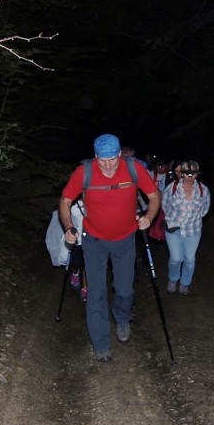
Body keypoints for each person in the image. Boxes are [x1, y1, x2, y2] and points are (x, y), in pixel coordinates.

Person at [58, 134, 160, 362]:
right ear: (96, 157)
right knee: (96, 293)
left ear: (119, 155)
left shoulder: (133, 169)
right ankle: (101, 344)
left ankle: (122, 317)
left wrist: (149, 217)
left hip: (125, 240)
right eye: (102, 160)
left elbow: (153, 195)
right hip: (94, 240)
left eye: (112, 159)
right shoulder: (84, 172)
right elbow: (65, 200)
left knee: (124, 290)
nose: (107, 165)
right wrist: (68, 226)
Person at [161, 160, 211, 296]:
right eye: (187, 174)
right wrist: (176, 218)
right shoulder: (171, 188)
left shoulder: (203, 190)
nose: (190, 177)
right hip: (174, 228)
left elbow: (205, 209)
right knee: (176, 258)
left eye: (193, 174)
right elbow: (165, 206)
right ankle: (173, 279)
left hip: (193, 230)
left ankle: (185, 284)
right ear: (181, 174)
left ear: (197, 175)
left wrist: (192, 218)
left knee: (189, 259)